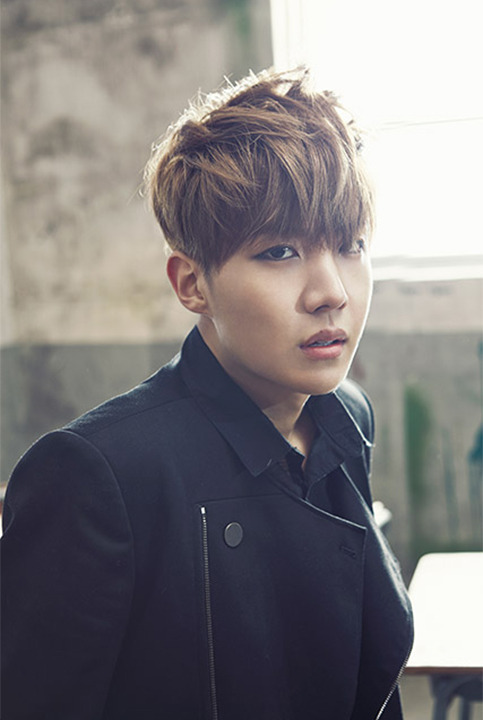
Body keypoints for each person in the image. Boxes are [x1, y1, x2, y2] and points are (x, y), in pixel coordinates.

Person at [1, 67, 413, 719]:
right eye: (279, 252)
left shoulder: (344, 416)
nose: (331, 291)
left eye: (349, 245)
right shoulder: (96, 473)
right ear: (192, 284)